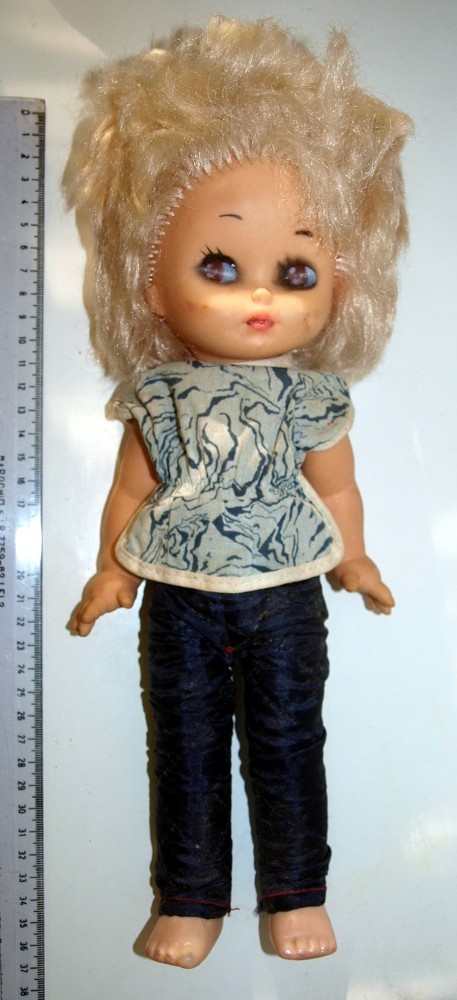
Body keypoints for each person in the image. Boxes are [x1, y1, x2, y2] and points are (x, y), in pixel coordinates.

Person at [66, 17, 412, 969]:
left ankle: (296, 893)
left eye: (294, 272)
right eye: (218, 266)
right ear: (150, 282)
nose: (258, 295)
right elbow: (133, 486)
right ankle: (189, 900)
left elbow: (336, 484)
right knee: (182, 748)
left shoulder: (311, 395)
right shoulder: (159, 393)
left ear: (339, 286)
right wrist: (111, 572)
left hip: (289, 595)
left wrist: (355, 556)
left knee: (288, 743)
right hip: (177, 597)